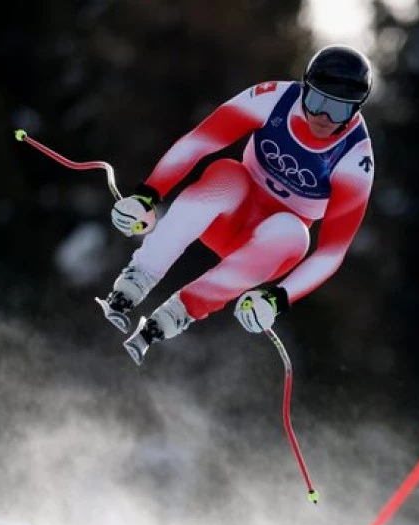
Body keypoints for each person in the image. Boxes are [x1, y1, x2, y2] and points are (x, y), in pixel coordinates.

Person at [97, 44, 376, 364]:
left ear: (357, 109)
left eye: (339, 110)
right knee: (228, 175)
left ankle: (179, 312)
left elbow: (332, 252)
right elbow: (199, 142)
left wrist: (277, 299)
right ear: (304, 88)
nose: (324, 117)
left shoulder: (355, 158)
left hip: (266, 250)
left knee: (295, 233)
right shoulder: (274, 99)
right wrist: (148, 194)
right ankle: (138, 278)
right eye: (317, 101)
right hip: (228, 216)